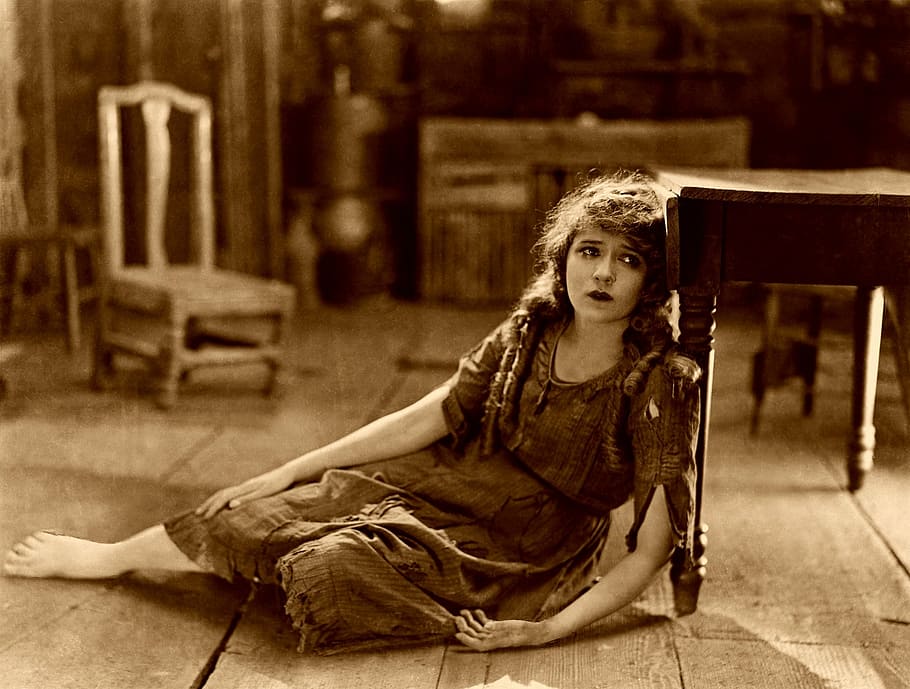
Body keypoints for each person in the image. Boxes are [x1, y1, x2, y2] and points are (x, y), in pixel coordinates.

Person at [3, 170, 701, 655]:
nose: (603, 275)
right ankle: (112, 557)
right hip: (457, 481)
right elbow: (433, 413)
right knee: (264, 508)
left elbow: (651, 550)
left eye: (628, 260)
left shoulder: (658, 382)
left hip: (528, 548)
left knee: (338, 565)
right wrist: (288, 470)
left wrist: (547, 633)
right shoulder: (532, 330)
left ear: (653, 280)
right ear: (564, 260)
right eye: (589, 252)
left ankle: (319, 578)